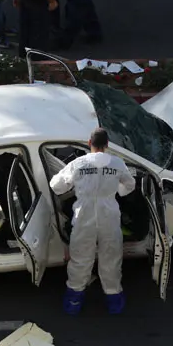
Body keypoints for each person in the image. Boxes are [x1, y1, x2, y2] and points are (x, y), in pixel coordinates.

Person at [49, 128, 136, 315]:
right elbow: (130, 185)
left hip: (83, 218)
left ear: (90, 143)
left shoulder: (78, 163)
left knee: (80, 259)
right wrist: (117, 190)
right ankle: (114, 300)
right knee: (111, 258)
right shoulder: (117, 163)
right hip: (110, 217)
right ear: (107, 145)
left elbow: (56, 187)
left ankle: (74, 301)